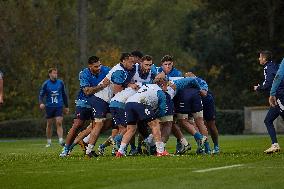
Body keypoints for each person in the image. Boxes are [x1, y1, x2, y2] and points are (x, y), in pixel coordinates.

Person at [60, 56, 110, 157]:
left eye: (99, 65)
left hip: (98, 101)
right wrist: (102, 86)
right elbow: (87, 92)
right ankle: (66, 149)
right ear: (90, 66)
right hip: (84, 101)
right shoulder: (84, 73)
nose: (99, 68)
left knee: (96, 125)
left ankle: (88, 149)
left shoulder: (106, 70)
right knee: (78, 124)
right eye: (96, 66)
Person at [253, 51, 281, 154]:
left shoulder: (267, 68)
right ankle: (275, 144)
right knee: (268, 120)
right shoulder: (275, 65)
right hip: (277, 96)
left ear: (264, 59)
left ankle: (275, 145)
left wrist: (258, 88)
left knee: (268, 120)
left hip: (280, 97)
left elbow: (268, 83)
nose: (259, 59)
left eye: (260, 57)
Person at [39, 68, 69, 147]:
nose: (55, 75)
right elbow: (41, 95)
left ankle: (61, 141)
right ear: (50, 74)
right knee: (49, 124)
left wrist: (66, 106)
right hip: (49, 106)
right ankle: (49, 142)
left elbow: (64, 95)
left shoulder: (60, 83)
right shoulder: (46, 84)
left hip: (59, 105)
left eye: (56, 73)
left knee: (59, 122)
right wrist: (41, 103)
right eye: (54, 73)